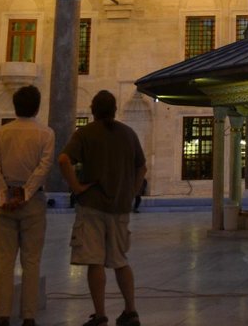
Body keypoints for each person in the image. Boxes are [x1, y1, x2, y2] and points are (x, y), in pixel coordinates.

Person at [59, 90, 147, 326]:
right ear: (115, 109)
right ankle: (131, 311)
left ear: (93, 109)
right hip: (120, 208)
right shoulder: (128, 133)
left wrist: (76, 187)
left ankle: (100, 315)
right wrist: (132, 192)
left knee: (95, 261)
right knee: (120, 260)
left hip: (92, 207)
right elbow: (142, 167)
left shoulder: (86, 133)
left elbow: (64, 160)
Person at [0, 85, 55, 326]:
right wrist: (25, 193)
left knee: (4, 261)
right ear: (37, 107)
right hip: (32, 203)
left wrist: (4, 194)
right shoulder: (46, 134)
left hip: (4, 205)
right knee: (31, 261)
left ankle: (3, 316)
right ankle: (28, 317)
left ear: (15, 107)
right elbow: (43, 168)